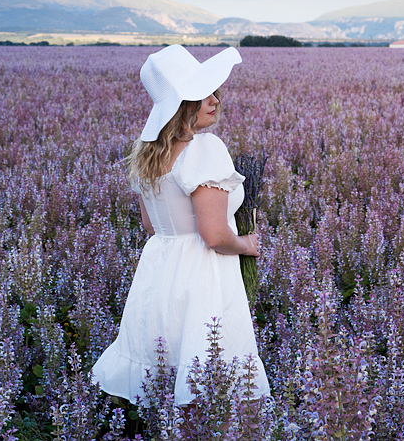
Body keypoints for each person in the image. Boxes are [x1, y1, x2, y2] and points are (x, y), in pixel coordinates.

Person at [92, 44, 271, 408]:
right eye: (199, 94)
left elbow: (152, 226)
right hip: (204, 274)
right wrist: (248, 244)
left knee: (164, 360)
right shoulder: (204, 149)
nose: (214, 99)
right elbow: (214, 236)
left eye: (212, 90)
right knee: (210, 378)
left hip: (160, 270)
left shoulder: (147, 154)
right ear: (179, 106)